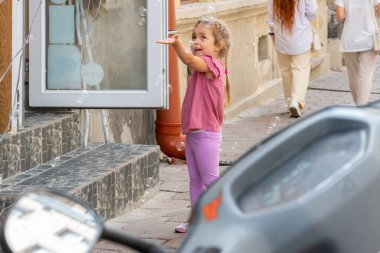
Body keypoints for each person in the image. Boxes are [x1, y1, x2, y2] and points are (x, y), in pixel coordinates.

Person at [157, 17, 231, 233]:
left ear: (218, 46)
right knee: (195, 180)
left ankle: (228, 217)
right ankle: (196, 220)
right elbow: (191, 62)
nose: (196, 41)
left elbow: (189, 60)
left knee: (210, 181)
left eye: (203, 37)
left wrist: (177, 44)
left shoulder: (213, 65)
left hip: (207, 134)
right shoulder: (201, 69)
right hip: (194, 134)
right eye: (194, 37)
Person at [268, 0, 318, 117]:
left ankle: (289, 101)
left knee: (286, 71)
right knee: (300, 69)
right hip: (301, 37)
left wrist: (272, 35)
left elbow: (270, 18)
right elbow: (312, 11)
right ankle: (296, 100)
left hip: (281, 38)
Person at [335, 0, 380, 106]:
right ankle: (361, 106)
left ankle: (358, 104)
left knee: (353, 75)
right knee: (366, 75)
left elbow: (340, 15)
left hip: (350, 39)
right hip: (369, 39)